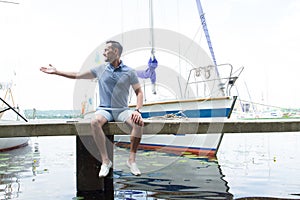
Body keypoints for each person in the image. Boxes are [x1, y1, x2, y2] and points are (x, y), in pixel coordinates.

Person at [40, 40, 144, 177]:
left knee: (138, 123)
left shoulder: (129, 72)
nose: (103, 52)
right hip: (105, 110)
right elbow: (78, 75)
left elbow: (139, 92)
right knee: (94, 122)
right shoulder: (100, 69)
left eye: (107, 50)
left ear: (116, 52)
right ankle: (105, 161)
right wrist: (57, 72)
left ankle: (131, 160)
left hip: (122, 110)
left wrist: (137, 110)